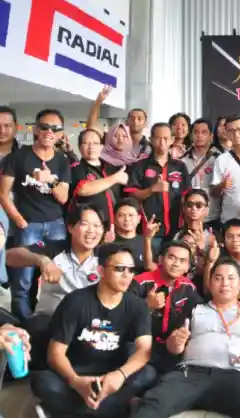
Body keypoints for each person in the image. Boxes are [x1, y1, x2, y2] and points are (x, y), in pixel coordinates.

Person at [130, 258, 240, 418]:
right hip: (191, 373)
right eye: (218, 278)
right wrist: (177, 343)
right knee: (154, 403)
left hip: (234, 376)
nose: (225, 283)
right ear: (210, 284)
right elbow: (172, 347)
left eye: (231, 278)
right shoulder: (195, 307)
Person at [31, 243, 156, 418]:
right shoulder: (75, 301)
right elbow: (55, 354)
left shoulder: (137, 306)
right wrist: (76, 382)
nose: (127, 275)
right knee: (43, 382)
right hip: (76, 371)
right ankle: (114, 409)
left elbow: (144, 350)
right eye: (119, 268)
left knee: (148, 374)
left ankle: (66, 411)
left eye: (131, 270)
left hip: (112, 374)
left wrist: (120, 375)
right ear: (101, 271)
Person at [5, 205, 105, 368]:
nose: (91, 231)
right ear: (71, 227)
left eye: (97, 226)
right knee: (29, 332)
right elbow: (10, 257)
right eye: (85, 224)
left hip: (90, 324)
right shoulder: (54, 249)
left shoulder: (106, 256)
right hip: (50, 321)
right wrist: (42, 260)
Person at [0, 109, 71, 321]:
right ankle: (22, 324)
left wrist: (50, 180)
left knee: (57, 276)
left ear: (60, 134)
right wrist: (19, 220)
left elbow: (63, 197)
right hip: (28, 224)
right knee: (23, 280)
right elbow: (3, 194)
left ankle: (52, 322)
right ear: (36, 130)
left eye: (55, 128)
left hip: (56, 225)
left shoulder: (62, 161)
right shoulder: (18, 157)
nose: (49, 132)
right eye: (44, 127)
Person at [129, 241, 202, 374]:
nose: (176, 264)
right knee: (146, 375)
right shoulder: (140, 282)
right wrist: (146, 305)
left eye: (182, 261)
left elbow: (198, 315)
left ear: (187, 267)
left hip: (172, 349)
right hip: (140, 346)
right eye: (172, 258)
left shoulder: (189, 288)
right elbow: (121, 316)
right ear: (161, 260)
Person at [125, 123, 190, 252]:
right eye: (158, 138)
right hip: (149, 230)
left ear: (172, 140)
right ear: (151, 140)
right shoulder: (140, 166)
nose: (162, 142)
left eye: (166, 138)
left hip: (176, 229)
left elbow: (187, 195)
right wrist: (152, 189)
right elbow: (132, 194)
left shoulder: (180, 166)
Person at [69, 128, 127, 230]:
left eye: (95, 143)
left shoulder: (112, 168)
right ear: (80, 147)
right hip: (89, 228)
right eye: (86, 143)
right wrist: (115, 178)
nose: (91, 147)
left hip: (114, 226)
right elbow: (83, 189)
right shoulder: (76, 168)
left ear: (101, 147)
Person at [181, 118, 222, 228]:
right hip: (189, 217)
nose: (199, 135)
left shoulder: (219, 159)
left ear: (211, 136)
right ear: (191, 135)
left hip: (213, 216)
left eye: (204, 132)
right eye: (196, 132)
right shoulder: (182, 161)